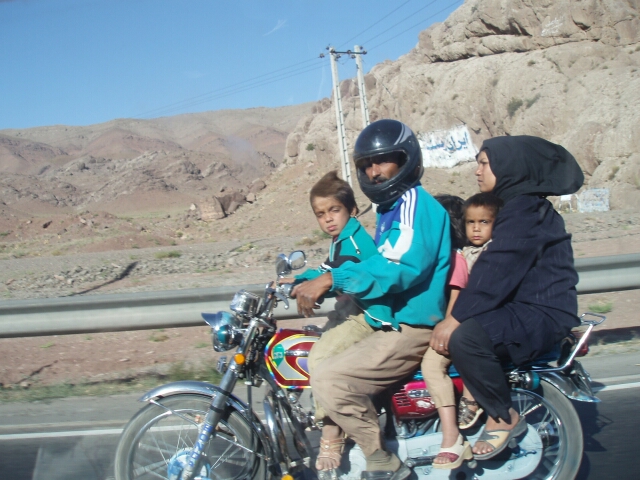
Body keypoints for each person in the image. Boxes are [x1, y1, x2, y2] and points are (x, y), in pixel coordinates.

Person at [292, 119, 451, 480]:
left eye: (383, 161)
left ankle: (380, 458)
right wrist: (308, 279)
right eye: (366, 165)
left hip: (411, 325)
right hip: (391, 319)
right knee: (322, 358)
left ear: (406, 158)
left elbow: (397, 266)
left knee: (329, 378)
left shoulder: (414, 205)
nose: (374, 172)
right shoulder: (391, 209)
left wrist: (333, 278)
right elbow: (371, 264)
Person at [430, 135, 584, 460]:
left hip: (542, 311)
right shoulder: (515, 207)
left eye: (484, 163)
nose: (477, 171)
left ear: (509, 167)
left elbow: (498, 267)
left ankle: (504, 417)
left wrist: (454, 320)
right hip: (525, 305)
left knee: (465, 339)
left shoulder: (525, 210)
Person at [285, 170, 390, 477]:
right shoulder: (340, 239)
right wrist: (296, 280)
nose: (328, 219)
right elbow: (324, 269)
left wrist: (320, 285)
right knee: (314, 344)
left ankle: (332, 430)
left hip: (368, 316)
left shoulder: (355, 242)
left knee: (320, 358)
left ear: (352, 210)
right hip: (351, 311)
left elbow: (344, 274)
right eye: (321, 214)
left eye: (334, 210)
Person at [421, 192, 502, 469]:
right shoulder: (462, 254)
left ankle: (451, 435)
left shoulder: (456, 259)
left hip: (464, 326)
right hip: (465, 323)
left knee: (431, 367)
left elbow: (456, 303)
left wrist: (444, 329)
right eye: (471, 222)